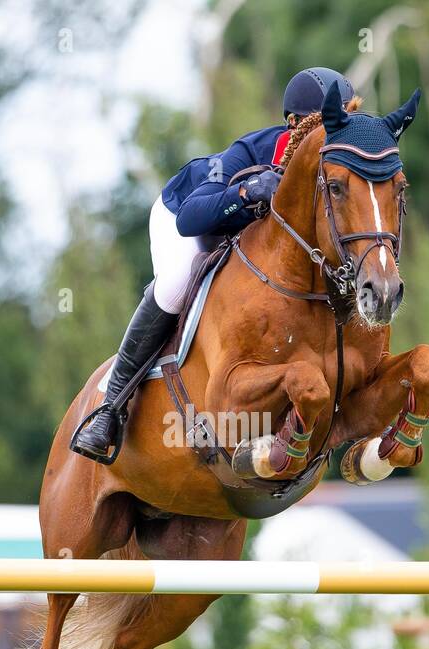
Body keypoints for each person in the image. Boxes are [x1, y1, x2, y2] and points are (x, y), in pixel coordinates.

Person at [70, 67, 356, 463]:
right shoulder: (249, 153)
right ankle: (110, 408)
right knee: (175, 284)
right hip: (186, 215)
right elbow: (192, 219)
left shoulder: (333, 173)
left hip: (243, 238)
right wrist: (248, 189)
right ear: (294, 125)